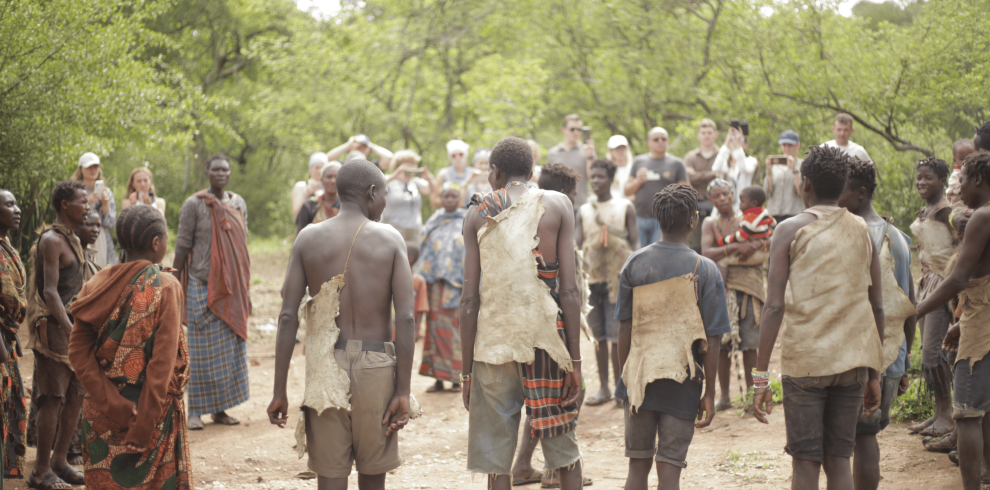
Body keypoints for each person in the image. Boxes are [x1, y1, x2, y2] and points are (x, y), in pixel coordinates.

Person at [267, 159, 415, 490]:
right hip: (376, 367)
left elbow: (288, 315)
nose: (385, 202)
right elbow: (406, 317)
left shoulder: (308, 237)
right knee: (372, 476)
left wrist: (279, 390)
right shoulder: (390, 239)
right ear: (372, 193)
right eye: (385, 194)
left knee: (331, 477)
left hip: (325, 367)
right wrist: (403, 391)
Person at [752, 145, 884, 490]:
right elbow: (877, 306)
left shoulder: (789, 230)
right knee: (839, 459)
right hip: (853, 362)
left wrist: (761, 376)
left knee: (806, 462)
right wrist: (874, 373)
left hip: (806, 363)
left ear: (804, 183)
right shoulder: (863, 229)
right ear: (842, 184)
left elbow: (774, 307)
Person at [461, 137, 584, 490]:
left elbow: (469, 301)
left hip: (494, 343)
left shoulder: (478, 212)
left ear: (495, 172)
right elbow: (570, 291)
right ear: (532, 171)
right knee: (563, 449)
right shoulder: (558, 204)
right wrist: (574, 359)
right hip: (547, 339)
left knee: (497, 464)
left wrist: (466, 373)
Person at [67, 205, 191, 489]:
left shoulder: (96, 283)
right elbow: (162, 365)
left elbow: (77, 352)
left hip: (101, 414)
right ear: (156, 243)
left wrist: (114, 403)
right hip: (149, 416)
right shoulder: (165, 285)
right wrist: (144, 424)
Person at [615, 184, 728, 489]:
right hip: (683, 386)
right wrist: (709, 392)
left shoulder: (634, 263)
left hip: (639, 379)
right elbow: (713, 339)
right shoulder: (705, 269)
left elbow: (623, 328)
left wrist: (625, 379)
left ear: (657, 217)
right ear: (693, 221)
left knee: (637, 468)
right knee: (670, 468)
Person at [509, 162, 592, 489]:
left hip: (517, 325)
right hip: (550, 327)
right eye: (572, 195)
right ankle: (556, 469)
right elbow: (567, 290)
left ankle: (523, 464)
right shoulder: (554, 218)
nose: (573, 201)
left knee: (537, 397)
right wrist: (575, 356)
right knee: (563, 396)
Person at [836, 158, 917, 490]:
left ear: (860, 193)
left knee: (858, 440)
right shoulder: (898, 236)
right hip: (892, 356)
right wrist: (905, 360)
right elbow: (908, 305)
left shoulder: (854, 235)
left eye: (840, 190)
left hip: (858, 361)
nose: (835, 197)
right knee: (867, 437)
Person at [915, 150, 990, 490]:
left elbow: (959, 278)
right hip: (979, 316)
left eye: (962, 180)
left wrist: (919, 309)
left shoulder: (981, 217)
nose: (958, 188)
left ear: (978, 180)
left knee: (968, 413)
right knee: (984, 411)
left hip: (982, 328)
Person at [173, 154, 251, 431]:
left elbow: (241, 246)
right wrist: (174, 282)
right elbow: (183, 245)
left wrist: (244, 285)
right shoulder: (193, 205)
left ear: (230, 173)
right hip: (200, 285)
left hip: (232, 288)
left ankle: (220, 409)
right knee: (200, 352)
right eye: (215, 169)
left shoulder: (238, 203)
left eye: (225, 169)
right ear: (207, 172)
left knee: (227, 352)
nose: (221, 173)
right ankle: (194, 410)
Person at [24, 211, 102, 471]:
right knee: (52, 397)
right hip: (57, 331)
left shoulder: (77, 247)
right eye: (88, 218)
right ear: (66, 205)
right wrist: (70, 330)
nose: (94, 226)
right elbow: (48, 292)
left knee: (76, 395)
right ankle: (41, 470)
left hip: (75, 332)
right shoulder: (51, 240)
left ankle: (59, 461)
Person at [701, 180, 769, 410]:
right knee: (721, 346)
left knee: (751, 345)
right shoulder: (710, 223)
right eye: (717, 196)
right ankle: (724, 397)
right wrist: (734, 248)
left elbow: (770, 234)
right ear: (710, 200)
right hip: (721, 289)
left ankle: (754, 396)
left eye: (726, 194)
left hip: (750, 286)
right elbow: (706, 252)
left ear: (732, 194)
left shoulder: (749, 217)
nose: (722, 199)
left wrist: (757, 243)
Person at [576, 159, 638, 407]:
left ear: (611, 179)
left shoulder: (624, 207)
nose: (596, 180)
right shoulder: (584, 210)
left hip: (618, 280)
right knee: (599, 337)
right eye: (593, 176)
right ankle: (603, 387)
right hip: (593, 280)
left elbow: (635, 243)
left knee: (617, 337)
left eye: (601, 176)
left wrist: (632, 273)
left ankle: (621, 387)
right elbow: (577, 245)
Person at [908, 156, 955, 439]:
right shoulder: (927, 209)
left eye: (928, 178)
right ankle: (939, 412)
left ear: (942, 181)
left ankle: (947, 415)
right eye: (919, 177)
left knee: (933, 352)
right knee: (928, 350)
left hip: (942, 283)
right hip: (926, 281)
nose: (922, 182)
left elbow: (958, 247)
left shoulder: (944, 210)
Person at [418, 184, 467, 393]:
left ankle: (456, 379)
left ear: (459, 198)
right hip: (434, 285)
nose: (449, 199)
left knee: (454, 330)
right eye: (445, 195)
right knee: (434, 330)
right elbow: (424, 248)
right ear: (440, 198)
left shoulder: (467, 219)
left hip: (456, 286)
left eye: (453, 196)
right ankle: (437, 378)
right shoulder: (434, 221)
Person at [0, 189, 27, 481]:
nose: (17, 209)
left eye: (17, 203)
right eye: (9, 204)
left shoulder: (7, 245)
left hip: (7, 336)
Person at [626, 127, 689, 248]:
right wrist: (638, 180)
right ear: (648, 143)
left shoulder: (677, 163)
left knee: (659, 253)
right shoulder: (638, 161)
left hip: (665, 220)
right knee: (638, 253)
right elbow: (627, 190)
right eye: (656, 139)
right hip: (640, 217)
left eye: (663, 139)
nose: (660, 141)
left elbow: (687, 193)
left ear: (668, 141)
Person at [71, 152, 117, 268]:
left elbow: (111, 223)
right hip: (78, 235)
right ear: (81, 169)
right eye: (89, 167)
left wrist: (105, 205)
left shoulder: (107, 191)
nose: (93, 170)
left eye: (95, 167)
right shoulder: (74, 190)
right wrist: (87, 202)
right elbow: (69, 216)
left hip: (100, 237)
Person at [383, 150, 436, 244]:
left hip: (414, 231)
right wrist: (394, 176)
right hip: (393, 230)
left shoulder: (415, 182)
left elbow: (432, 191)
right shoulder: (389, 180)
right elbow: (376, 186)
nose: (414, 166)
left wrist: (429, 177)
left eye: (414, 164)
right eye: (410, 163)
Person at [683, 120, 720, 251]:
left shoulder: (722, 155)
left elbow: (723, 177)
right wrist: (713, 174)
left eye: (709, 132)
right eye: (703, 133)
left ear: (715, 134)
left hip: (718, 205)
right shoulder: (690, 156)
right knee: (694, 244)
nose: (706, 136)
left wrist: (697, 175)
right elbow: (688, 178)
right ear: (698, 135)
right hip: (695, 204)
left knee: (716, 243)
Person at [547, 114, 596, 207]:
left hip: (581, 205)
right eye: (572, 129)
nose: (576, 132)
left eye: (579, 129)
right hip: (557, 205)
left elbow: (592, 177)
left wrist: (590, 156)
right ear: (563, 130)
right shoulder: (553, 153)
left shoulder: (587, 151)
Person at [712, 126, 759, 212]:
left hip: (742, 208)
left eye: (741, 140)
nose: (736, 142)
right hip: (724, 208)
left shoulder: (751, 161)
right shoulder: (724, 163)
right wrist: (726, 143)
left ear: (746, 145)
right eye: (734, 139)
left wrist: (737, 147)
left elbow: (746, 169)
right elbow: (715, 168)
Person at [764, 130, 805, 223]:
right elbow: (768, 192)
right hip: (773, 215)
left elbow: (801, 192)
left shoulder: (803, 165)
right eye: (784, 145)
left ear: (797, 145)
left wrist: (794, 170)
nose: (787, 148)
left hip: (794, 215)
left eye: (790, 145)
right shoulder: (774, 166)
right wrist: (769, 171)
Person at [296, 162, 342, 234]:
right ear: (321, 179)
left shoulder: (345, 206)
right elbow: (299, 237)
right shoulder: (309, 206)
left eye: (336, 177)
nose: (333, 181)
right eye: (329, 177)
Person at [946, 139, 977, 235]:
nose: (967, 161)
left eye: (970, 157)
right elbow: (959, 189)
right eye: (962, 159)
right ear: (955, 160)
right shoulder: (956, 175)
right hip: (960, 208)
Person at [433, 140, 476, 208]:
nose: (457, 158)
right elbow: (434, 201)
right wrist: (450, 202)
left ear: (466, 155)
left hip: (472, 214)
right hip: (450, 216)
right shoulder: (443, 174)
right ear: (450, 158)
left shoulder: (475, 173)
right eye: (453, 155)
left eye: (461, 154)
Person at [324, 135, 394, 171]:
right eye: (358, 147)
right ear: (351, 148)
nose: (361, 150)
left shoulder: (373, 167)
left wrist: (371, 146)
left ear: (368, 149)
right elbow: (327, 158)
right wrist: (348, 144)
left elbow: (389, 157)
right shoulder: (342, 165)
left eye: (364, 148)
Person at [291, 152, 329, 219]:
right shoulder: (301, 186)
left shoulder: (330, 187)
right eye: (317, 167)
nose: (320, 170)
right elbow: (296, 215)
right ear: (310, 169)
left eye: (323, 167)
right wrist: (306, 195)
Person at [605, 135, 634, 199]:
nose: (620, 152)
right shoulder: (606, 170)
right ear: (611, 151)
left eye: (622, 148)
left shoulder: (633, 167)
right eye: (617, 149)